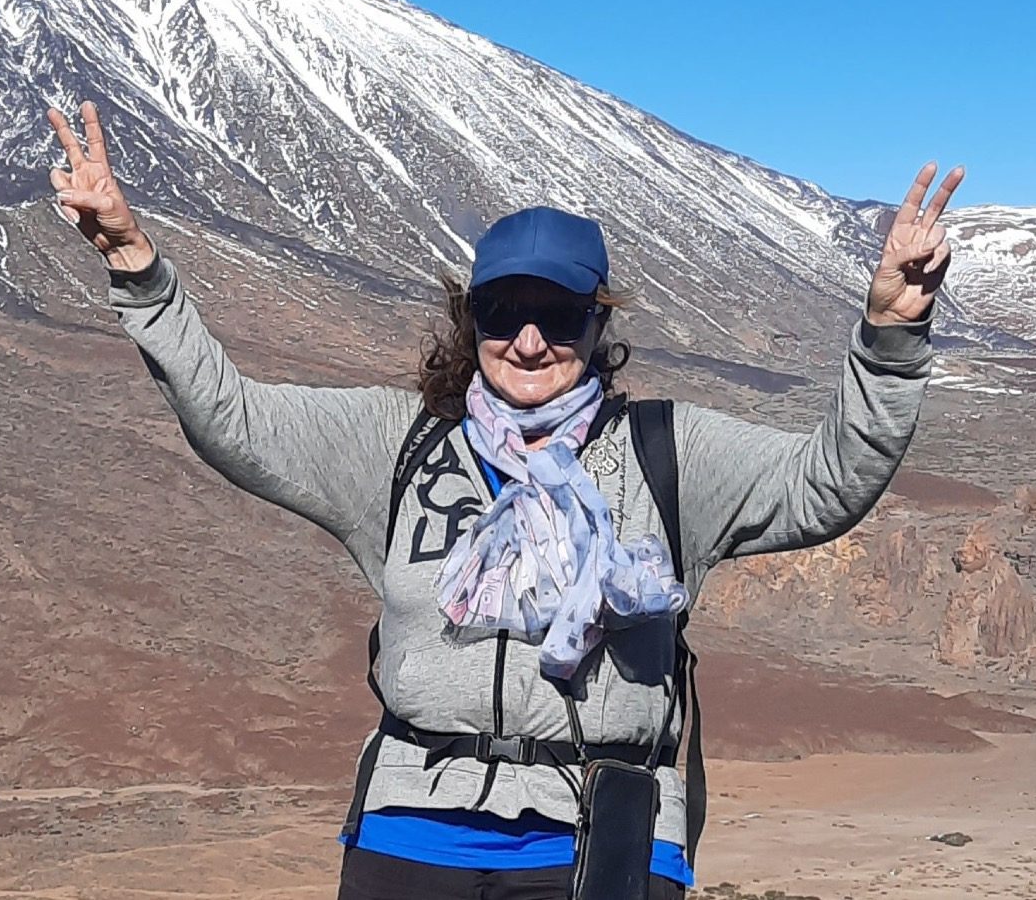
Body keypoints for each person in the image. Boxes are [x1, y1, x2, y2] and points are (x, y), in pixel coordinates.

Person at [46, 101, 963, 900]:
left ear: (597, 325)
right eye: (501, 314)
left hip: (600, 842)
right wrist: (135, 261)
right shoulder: (397, 444)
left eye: (558, 316)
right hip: (412, 830)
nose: (528, 342)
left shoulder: (668, 453)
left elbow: (832, 480)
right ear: (470, 318)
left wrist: (891, 331)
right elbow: (233, 421)